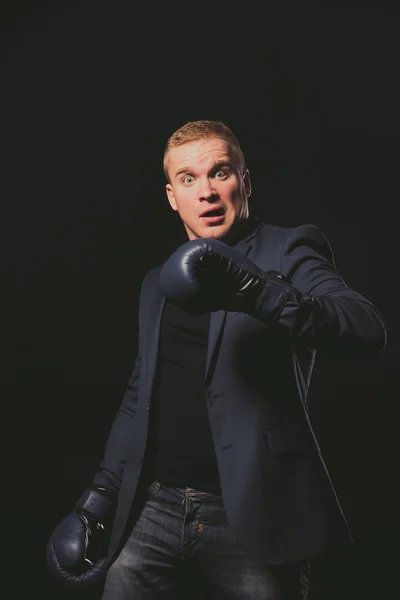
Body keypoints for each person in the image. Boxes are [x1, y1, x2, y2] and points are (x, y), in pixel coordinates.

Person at [46, 120, 387, 599]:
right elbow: (137, 397)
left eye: (220, 173)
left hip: (253, 511)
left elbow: (365, 327)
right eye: (188, 178)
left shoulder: (288, 249)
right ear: (172, 196)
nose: (205, 191)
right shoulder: (155, 284)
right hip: (154, 507)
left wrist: (255, 292)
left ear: (244, 182)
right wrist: (100, 496)